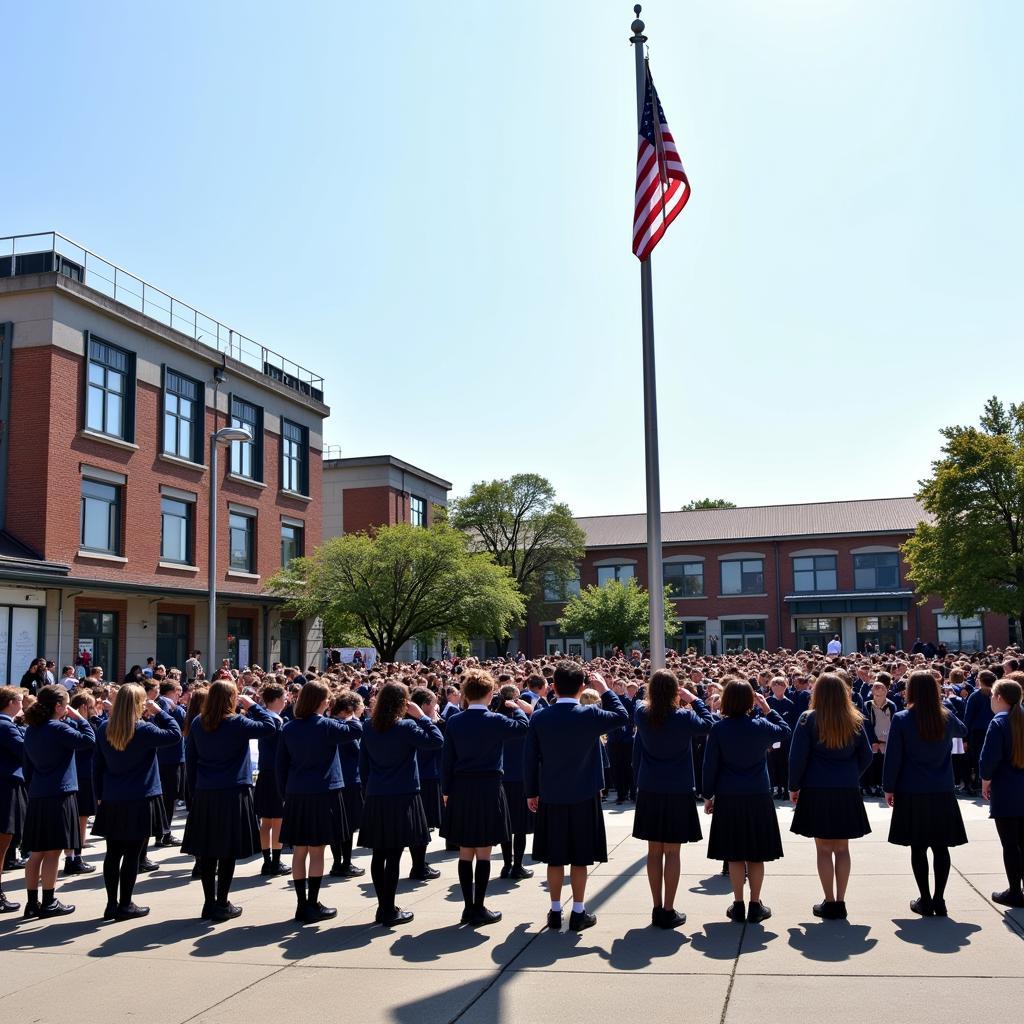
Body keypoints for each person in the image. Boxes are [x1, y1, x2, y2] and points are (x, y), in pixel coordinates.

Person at [524, 662, 628, 932]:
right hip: (584, 794)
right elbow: (620, 715)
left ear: (554, 687)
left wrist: (531, 792)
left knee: (555, 857)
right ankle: (578, 910)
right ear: (583, 686)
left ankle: (555, 910)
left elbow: (529, 759)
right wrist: (604, 690)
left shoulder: (540, 717)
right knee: (580, 857)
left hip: (552, 794)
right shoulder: (590, 714)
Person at [182, 680, 279, 921]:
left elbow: (191, 761)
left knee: (208, 851)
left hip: (206, 791)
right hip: (232, 791)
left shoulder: (197, 722)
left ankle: (209, 903)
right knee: (226, 850)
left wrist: (194, 791)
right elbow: (270, 726)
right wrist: (254, 705)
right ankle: (222, 901)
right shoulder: (236, 722)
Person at [441, 668, 529, 926]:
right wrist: (514, 706)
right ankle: (478, 906)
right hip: (489, 787)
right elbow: (523, 727)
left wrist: (446, 791)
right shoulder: (495, 719)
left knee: (466, 851)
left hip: (461, 787)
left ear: (466, 694)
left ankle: (469, 906)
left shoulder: (455, 721)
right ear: (491, 694)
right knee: (484, 851)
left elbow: (447, 761)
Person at [631, 668, 715, 928]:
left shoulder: (641, 714)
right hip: (677, 788)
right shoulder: (683, 717)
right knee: (673, 852)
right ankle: (668, 908)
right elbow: (711, 724)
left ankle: (657, 907)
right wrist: (695, 699)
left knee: (654, 851)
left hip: (650, 787)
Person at [702, 679, 790, 924]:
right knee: (756, 854)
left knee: (735, 854)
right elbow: (785, 731)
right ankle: (755, 904)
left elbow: (710, 766)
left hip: (729, 795)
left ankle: (738, 903)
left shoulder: (719, 729)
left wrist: (708, 795)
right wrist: (767, 708)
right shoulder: (761, 725)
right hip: (757, 794)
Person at [883, 670, 968, 916]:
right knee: (941, 847)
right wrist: (945, 705)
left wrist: (889, 787)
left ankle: (925, 898)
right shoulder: (946, 716)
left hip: (912, 790)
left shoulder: (902, 718)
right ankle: (940, 900)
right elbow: (962, 730)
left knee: (918, 847)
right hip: (941, 789)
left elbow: (894, 757)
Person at [788, 673, 874, 920]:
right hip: (846, 788)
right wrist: (851, 775)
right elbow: (867, 756)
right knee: (843, 848)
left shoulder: (808, 719)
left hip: (816, 788)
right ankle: (841, 901)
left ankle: (829, 900)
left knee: (823, 849)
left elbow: (797, 758)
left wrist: (794, 785)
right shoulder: (854, 719)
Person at [92, 683, 181, 920]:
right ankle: (125, 904)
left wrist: (99, 794)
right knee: (132, 854)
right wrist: (161, 712)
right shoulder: (143, 729)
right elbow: (174, 734)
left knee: (113, 853)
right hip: (140, 797)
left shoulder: (103, 729)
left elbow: (97, 767)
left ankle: (112, 904)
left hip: (113, 797)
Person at [276, 679, 362, 924]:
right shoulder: (325, 725)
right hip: (323, 793)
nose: (329, 702)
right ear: (319, 702)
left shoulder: (289, 728)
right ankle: (312, 902)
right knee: (316, 851)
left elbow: (280, 767)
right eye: (326, 699)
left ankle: (302, 904)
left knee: (300, 851)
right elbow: (356, 729)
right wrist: (353, 714)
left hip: (297, 793)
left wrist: (286, 794)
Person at [358, 681, 443, 927]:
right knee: (393, 855)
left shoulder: (368, 726)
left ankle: (383, 906)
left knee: (379, 854)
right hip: (402, 794)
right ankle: (388, 908)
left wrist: (368, 790)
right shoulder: (405, 726)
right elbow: (436, 740)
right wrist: (423, 717)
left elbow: (363, 766)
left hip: (377, 793)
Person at [21, 685, 96, 918]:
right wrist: (79, 717)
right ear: (58, 706)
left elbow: (27, 768)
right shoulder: (57, 727)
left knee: (36, 853)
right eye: (65, 705)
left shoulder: (32, 729)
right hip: (59, 794)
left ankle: (31, 902)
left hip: (38, 793)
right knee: (53, 852)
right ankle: (49, 901)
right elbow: (88, 739)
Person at [979, 677, 1024, 907]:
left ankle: (1015, 891)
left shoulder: (998, 722)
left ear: (998, 697)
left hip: (1006, 789)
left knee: (1010, 844)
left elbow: (989, 760)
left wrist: (985, 781)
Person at [495, 683, 535, 881]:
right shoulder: (522, 720)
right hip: (520, 777)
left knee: (507, 825)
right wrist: (527, 710)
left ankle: (507, 865)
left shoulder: (496, 719)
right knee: (519, 827)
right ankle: (516, 865)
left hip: (502, 777)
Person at [329, 691, 366, 878]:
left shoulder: (331, 724)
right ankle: (344, 863)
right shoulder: (346, 726)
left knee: (338, 824)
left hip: (338, 780)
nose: (363, 707)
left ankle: (338, 862)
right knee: (347, 825)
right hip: (349, 780)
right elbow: (357, 751)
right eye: (360, 704)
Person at [253, 682, 289, 877]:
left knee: (266, 820)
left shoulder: (269, 719)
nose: (286, 700)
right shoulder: (273, 721)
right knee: (277, 820)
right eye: (283, 697)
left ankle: (268, 861)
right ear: (275, 699)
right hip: (275, 773)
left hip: (266, 773)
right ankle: (274, 861)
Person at [409, 687, 443, 882]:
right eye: (433, 703)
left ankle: (420, 864)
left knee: (423, 826)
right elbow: (436, 743)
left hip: (427, 776)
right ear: (423, 706)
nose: (436, 706)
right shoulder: (417, 724)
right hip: (425, 777)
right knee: (421, 826)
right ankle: (419, 865)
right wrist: (429, 721)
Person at [0, 687, 27, 913]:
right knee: (1, 843)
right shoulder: (6, 726)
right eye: (19, 701)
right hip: (5, 787)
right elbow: (25, 751)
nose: (22, 705)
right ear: (10, 703)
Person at [155, 676, 187, 847]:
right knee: (169, 798)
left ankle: (162, 831)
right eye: (178, 691)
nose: (180, 695)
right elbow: (184, 728)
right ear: (173, 692)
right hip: (172, 757)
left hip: (161, 757)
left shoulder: (157, 705)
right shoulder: (174, 708)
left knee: (164, 797)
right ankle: (164, 833)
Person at [864, 681, 896, 797]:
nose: (878, 696)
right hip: (872, 741)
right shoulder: (867, 705)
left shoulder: (891, 705)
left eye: (881, 693)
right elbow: (866, 724)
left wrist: (888, 742)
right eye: (876, 694)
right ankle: (869, 786)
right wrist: (874, 741)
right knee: (871, 764)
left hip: (886, 741)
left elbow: (894, 724)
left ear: (886, 692)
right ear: (872, 692)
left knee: (883, 765)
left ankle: (881, 785)